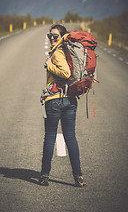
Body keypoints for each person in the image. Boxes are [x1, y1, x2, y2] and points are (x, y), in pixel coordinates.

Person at [39, 24, 86, 187]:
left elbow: (66, 73)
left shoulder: (58, 53)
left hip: (55, 100)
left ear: (62, 36)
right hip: (70, 100)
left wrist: (49, 65)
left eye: (55, 36)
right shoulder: (67, 51)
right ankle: (78, 177)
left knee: (50, 137)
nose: (51, 38)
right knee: (71, 138)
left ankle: (45, 175)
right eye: (49, 36)